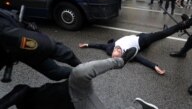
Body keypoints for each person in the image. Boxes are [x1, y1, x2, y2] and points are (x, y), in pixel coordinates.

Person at [0, 48, 158, 109]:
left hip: (73, 91)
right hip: (78, 103)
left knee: (78, 72)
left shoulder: (26, 95)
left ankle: (119, 62)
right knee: (79, 72)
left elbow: (21, 91)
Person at [0, 8, 81, 81]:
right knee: (56, 73)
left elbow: (47, 46)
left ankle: (79, 75)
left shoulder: (5, 30)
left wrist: (81, 66)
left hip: (15, 45)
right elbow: (48, 46)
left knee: (56, 73)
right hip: (12, 47)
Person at [79, 23, 187, 75]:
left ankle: (165, 30)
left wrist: (87, 44)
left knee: (159, 34)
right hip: (143, 40)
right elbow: (142, 59)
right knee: (161, 35)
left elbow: (99, 46)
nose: (117, 51)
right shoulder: (128, 54)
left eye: (115, 52)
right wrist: (155, 67)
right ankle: (182, 25)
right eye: (119, 54)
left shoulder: (109, 48)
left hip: (137, 35)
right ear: (122, 55)